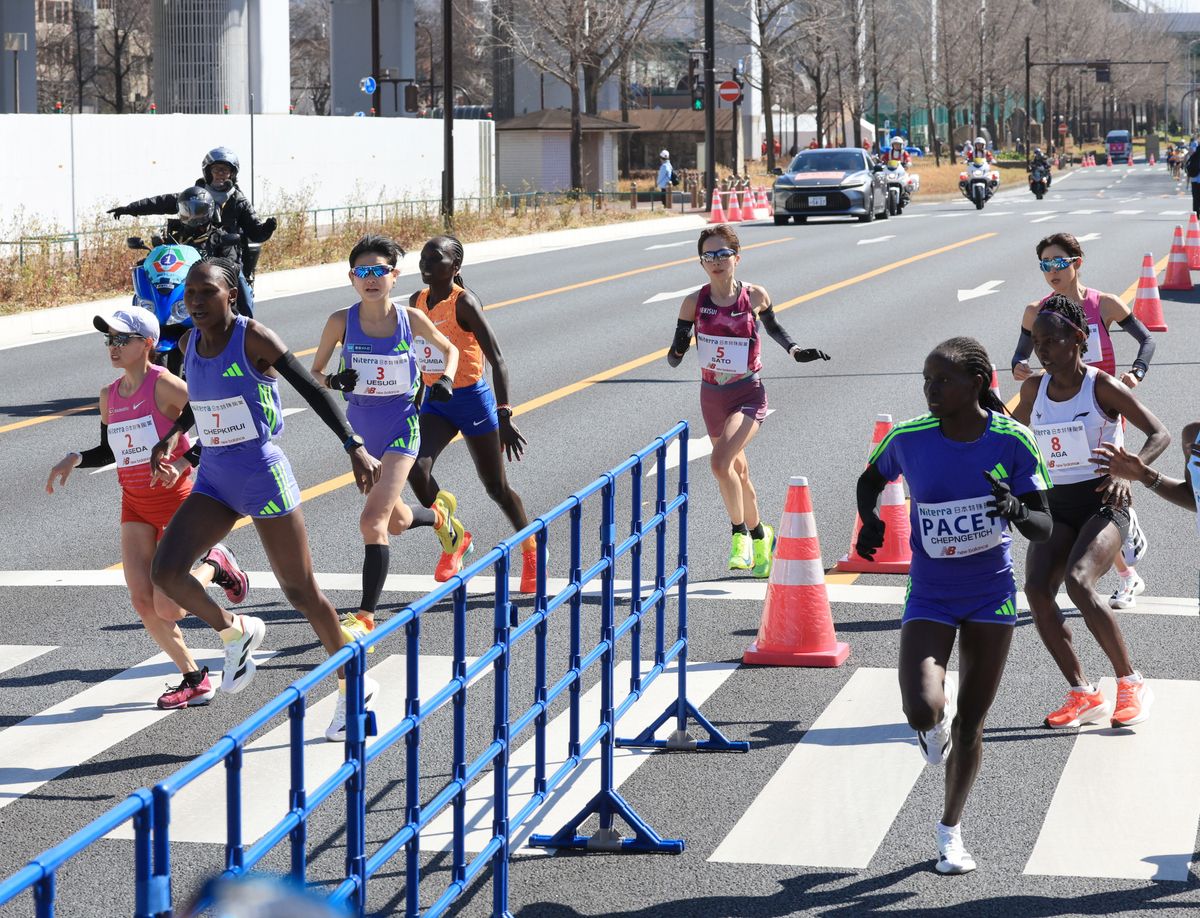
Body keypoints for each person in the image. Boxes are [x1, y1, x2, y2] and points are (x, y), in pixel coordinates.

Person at [148, 258, 383, 742]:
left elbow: (312, 389)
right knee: (166, 573)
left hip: (261, 474)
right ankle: (235, 631)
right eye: (189, 293)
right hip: (214, 477)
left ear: (230, 294)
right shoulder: (189, 343)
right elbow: (201, 399)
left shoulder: (253, 338)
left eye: (206, 292)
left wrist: (353, 443)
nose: (194, 301)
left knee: (301, 593)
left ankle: (352, 683)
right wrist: (172, 434)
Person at [856, 336, 1053, 875]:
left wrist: (1013, 506)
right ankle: (927, 726)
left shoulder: (1013, 441)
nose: (930, 390)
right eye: (926, 380)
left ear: (978, 384)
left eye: (942, 381)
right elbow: (868, 480)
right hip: (931, 591)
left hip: (991, 591)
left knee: (971, 723)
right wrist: (871, 521)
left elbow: (1043, 524)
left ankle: (950, 832)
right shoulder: (909, 437)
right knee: (923, 707)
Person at [46, 307, 249, 709]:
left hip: (180, 502)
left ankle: (216, 563)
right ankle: (194, 678)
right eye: (109, 340)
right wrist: (74, 457)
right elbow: (110, 449)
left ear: (148, 344)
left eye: (122, 339)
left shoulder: (167, 386)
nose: (113, 347)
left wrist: (183, 463)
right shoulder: (109, 395)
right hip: (135, 504)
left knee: (169, 605)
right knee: (143, 601)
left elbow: (223, 424)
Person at [1011, 294, 1169, 730]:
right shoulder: (1034, 388)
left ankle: (1131, 682)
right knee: (1038, 592)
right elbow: (1014, 432)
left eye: (1050, 340)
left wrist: (1129, 473)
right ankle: (1083, 692)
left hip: (1104, 502)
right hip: (1056, 506)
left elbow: (1159, 433)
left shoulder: (1100, 386)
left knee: (1079, 583)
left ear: (1078, 338)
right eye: (1036, 342)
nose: (1041, 350)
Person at [309, 235, 462, 644]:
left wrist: (445, 379)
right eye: (363, 272)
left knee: (371, 521)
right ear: (352, 278)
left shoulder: (410, 319)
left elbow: (451, 350)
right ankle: (442, 519)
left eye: (380, 271)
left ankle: (365, 616)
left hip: (401, 427)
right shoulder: (341, 321)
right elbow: (315, 373)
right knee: (395, 522)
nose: (371, 278)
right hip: (361, 436)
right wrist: (335, 380)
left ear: (394, 276)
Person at [666, 224, 829, 577]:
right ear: (702, 263)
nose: (717, 261)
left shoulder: (754, 296)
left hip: (747, 393)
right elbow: (674, 356)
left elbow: (773, 328)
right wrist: (678, 348)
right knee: (738, 471)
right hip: (711, 395)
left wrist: (796, 350)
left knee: (719, 463)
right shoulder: (694, 302)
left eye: (724, 254)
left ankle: (738, 534)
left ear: (737, 258)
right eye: (709, 256)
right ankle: (761, 535)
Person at [1011, 233, 1157, 607]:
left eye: (1058, 262)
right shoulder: (1037, 312)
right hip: (1059, 409)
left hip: (1102, 403)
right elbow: (1020, 356)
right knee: (1076, 482)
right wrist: (1020, 366)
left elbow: (1147, 340)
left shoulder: (1103, 303)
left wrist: (1136, 373)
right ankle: (1123, 553)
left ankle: (1124, 567)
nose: (1051, 271)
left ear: (1077, 261)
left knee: (1109, 481)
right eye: (1044, 264)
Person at [405, 236, 537, 589]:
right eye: (423, 257)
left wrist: (505, 414)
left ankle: (530, 547)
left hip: (472, 401)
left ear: (455, 267)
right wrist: (414, 398)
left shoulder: (465, 304)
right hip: (436, 399)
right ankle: (453, 535)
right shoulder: (415, 302)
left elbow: (498, 359)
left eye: (436, 258)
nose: (426, 263)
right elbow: (419, 356)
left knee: (496, 487)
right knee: (416, 469)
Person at [107, 148, 276, 317]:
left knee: (239, 285)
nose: (220, 174)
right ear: (207, 171)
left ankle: (246, 328)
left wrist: (266, 229)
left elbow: (256, 233)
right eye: (216, 169)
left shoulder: (239, 201)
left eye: (225, 170)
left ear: (232, 173)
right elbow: (160, 202)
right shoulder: (193, 196)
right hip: (191, 249)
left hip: (225, 252)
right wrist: (129, 209)